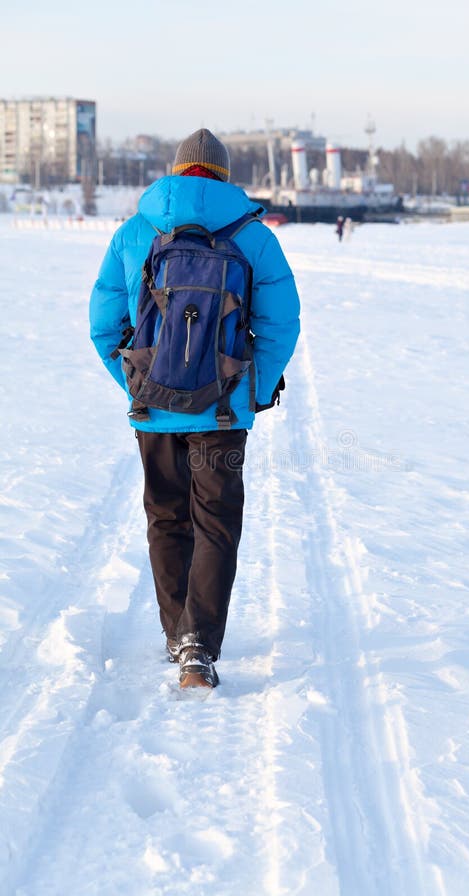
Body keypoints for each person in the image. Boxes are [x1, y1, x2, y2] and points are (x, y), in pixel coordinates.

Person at [90, 129, 300, 690]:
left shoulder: (135, 232)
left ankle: (173, 630)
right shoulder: (254, 237)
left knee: (166, 514)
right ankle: (198, 647)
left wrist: (138, 383)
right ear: (225, 176)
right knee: (216, 523)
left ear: (177, 170)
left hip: (153, 409)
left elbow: (102, 325)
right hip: (223, 413)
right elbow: (281, 323)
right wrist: (255, 390)